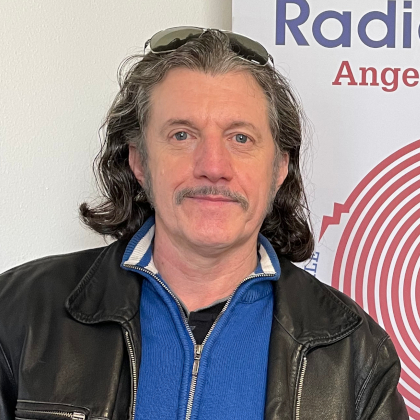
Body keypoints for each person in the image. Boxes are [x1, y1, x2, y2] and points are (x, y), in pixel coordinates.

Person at [0, 27, 408, 420]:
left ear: (279, 167)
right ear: (139, 161)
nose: (213, 166)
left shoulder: (356, 351)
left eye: (240, 138)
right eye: (182, 135)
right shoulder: (18, 312)